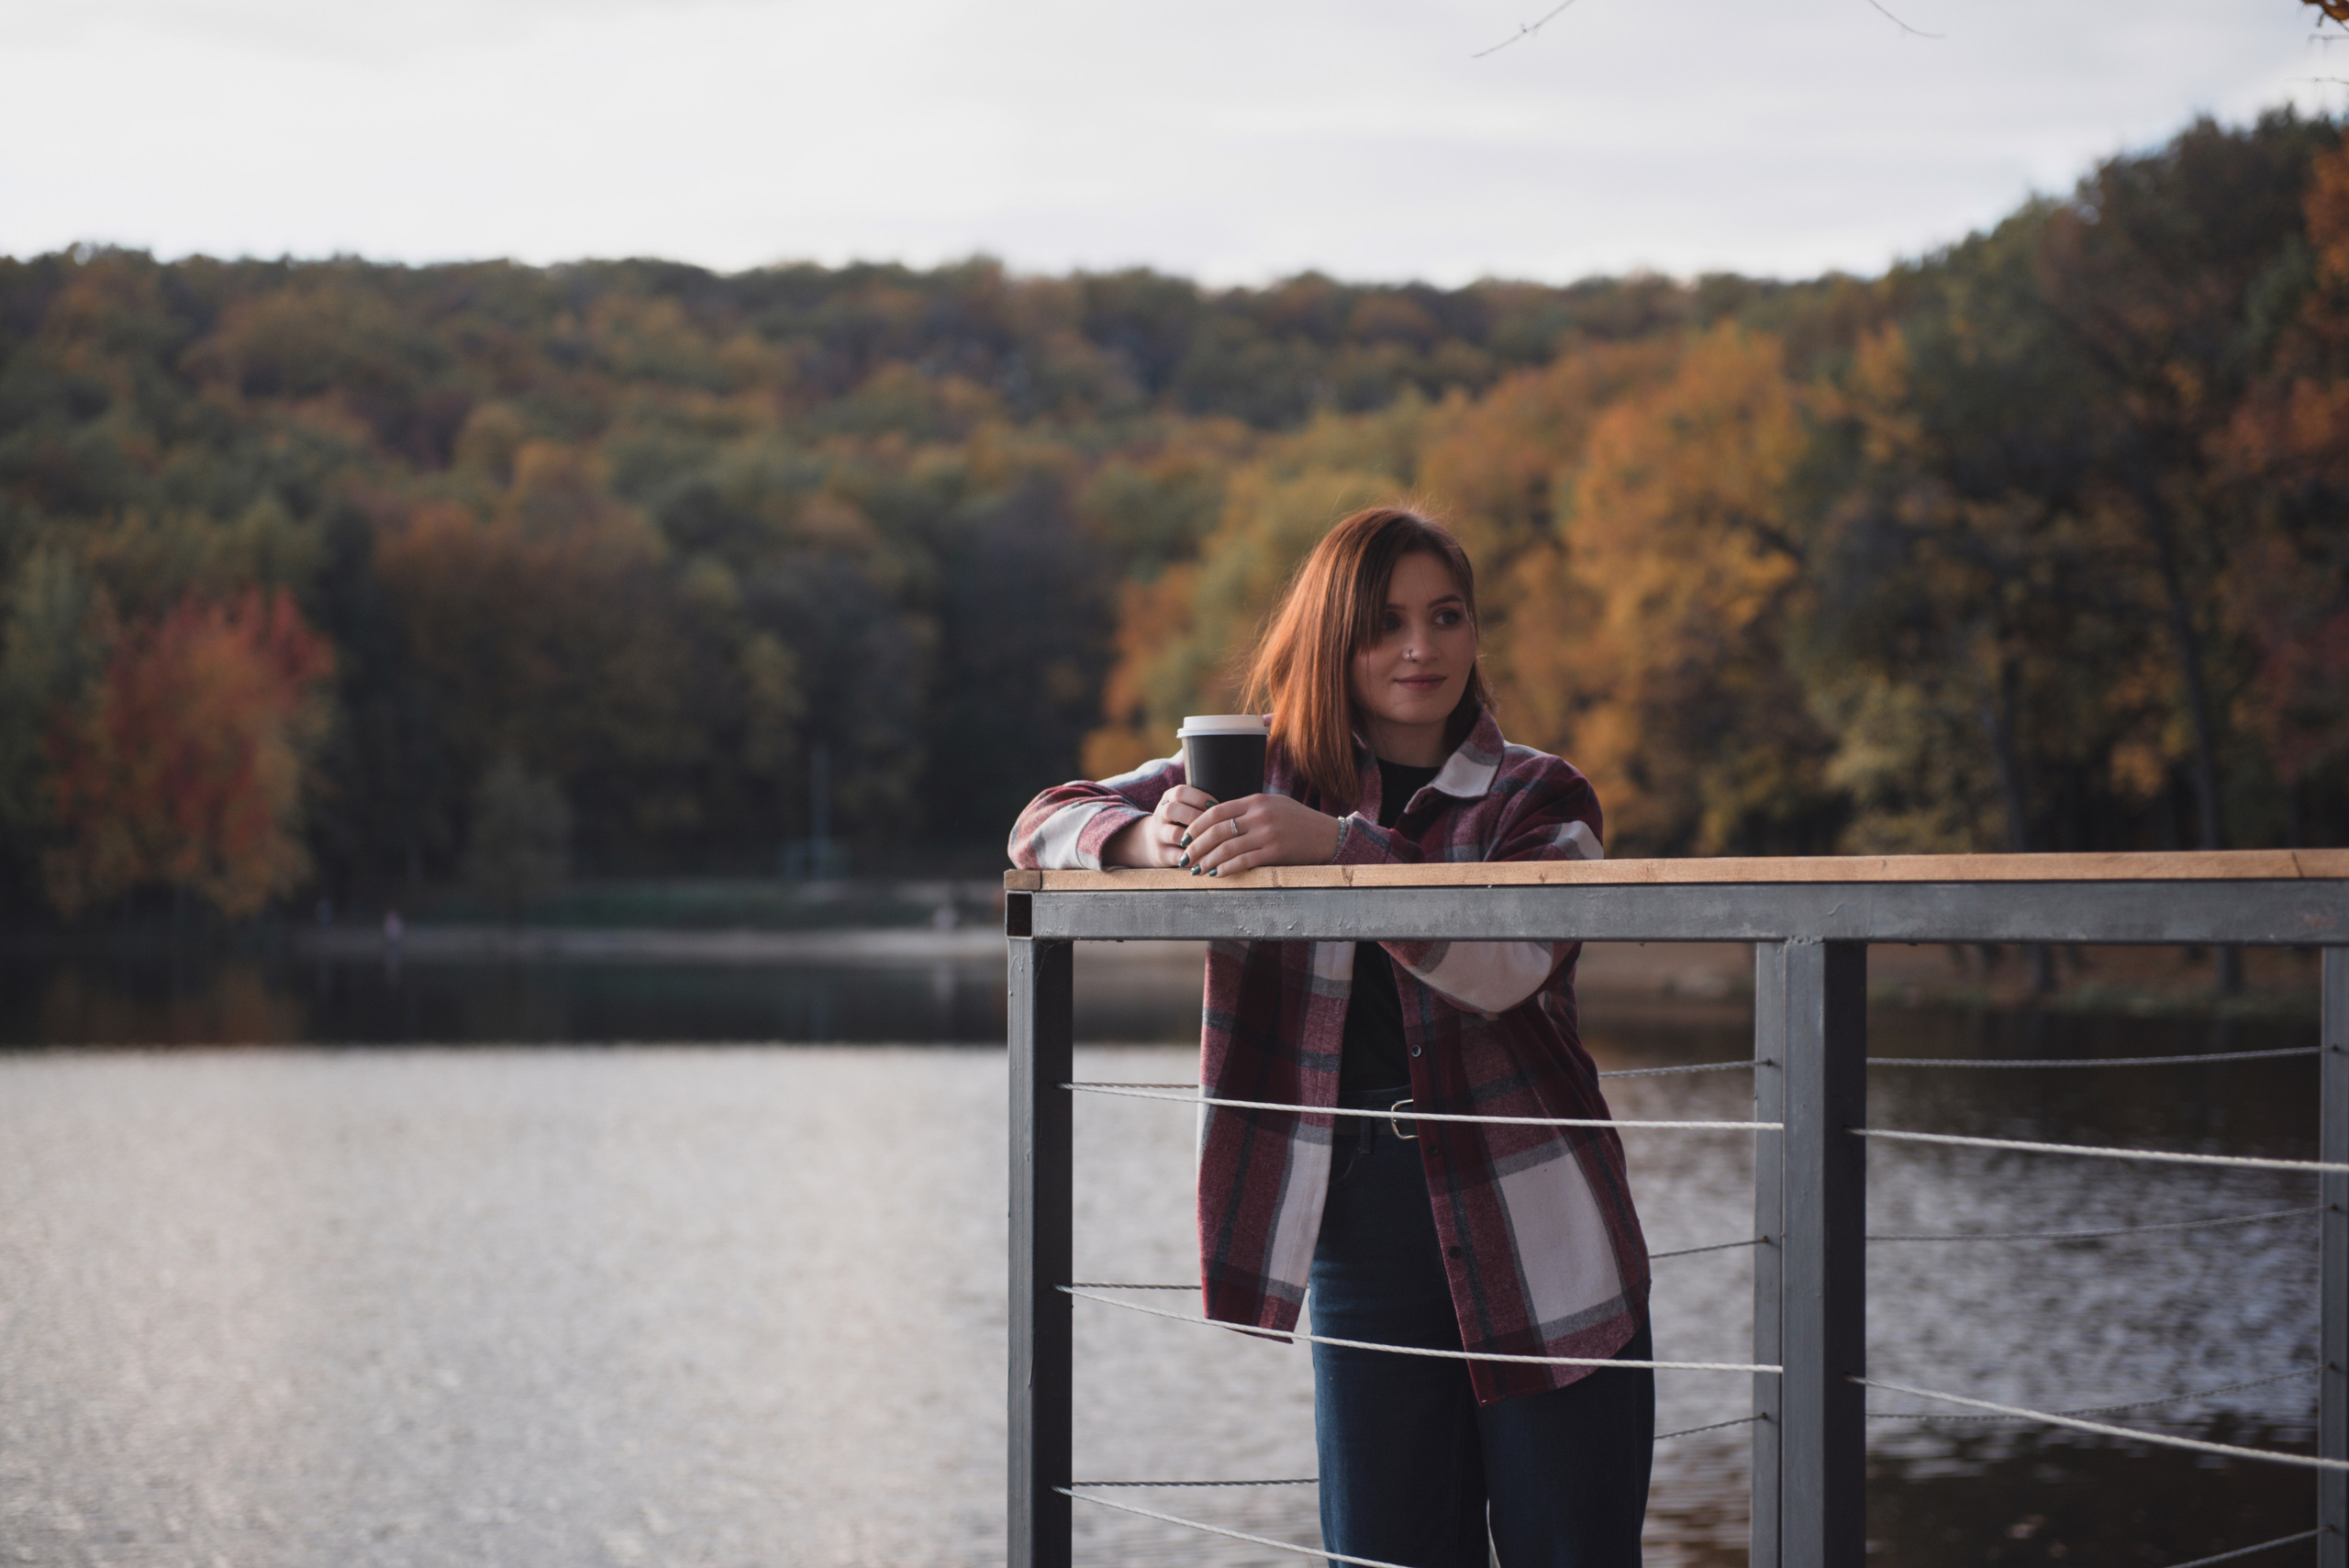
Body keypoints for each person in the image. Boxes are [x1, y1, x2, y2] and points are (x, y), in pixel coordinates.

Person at [1008, 506, 1653, 1568]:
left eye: (1446, 616)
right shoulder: (1260, 774)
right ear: (1331, 641)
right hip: (1361, 1228)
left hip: (1543, 1227)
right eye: (1384, 623)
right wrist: (1146, 837)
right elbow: (1041, 818)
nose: (1420, 647)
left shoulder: (1542, 794)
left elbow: (1505, 968)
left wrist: (1342, 853)